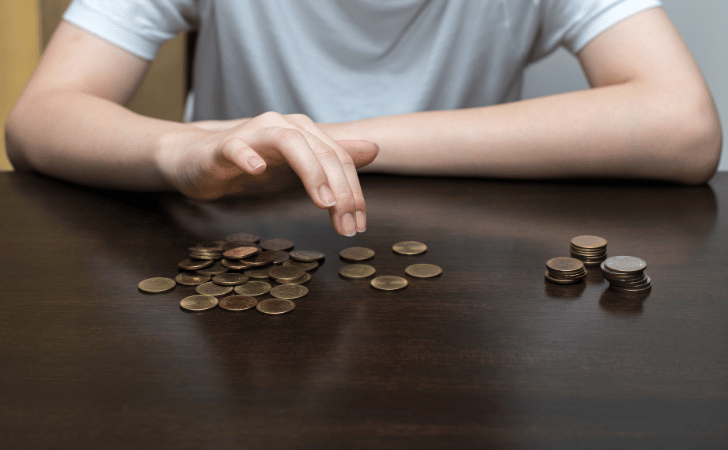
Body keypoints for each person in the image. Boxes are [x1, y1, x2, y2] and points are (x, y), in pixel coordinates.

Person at [4, 0, 722, 237]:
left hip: (456, 279)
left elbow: (683, 127)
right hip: (236, 254)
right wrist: (184, 154)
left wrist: (337, 140)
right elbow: (42, 116)